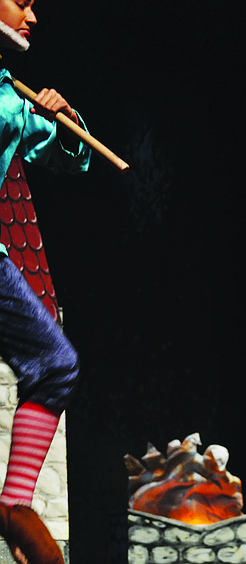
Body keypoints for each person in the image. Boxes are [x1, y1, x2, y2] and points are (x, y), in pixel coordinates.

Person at [0, 0, 91, 562]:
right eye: (21, 2)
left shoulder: (11, 96)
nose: (31, 17)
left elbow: (68, 156)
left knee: (56, 364)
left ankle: (15, 507)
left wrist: (65, 121)